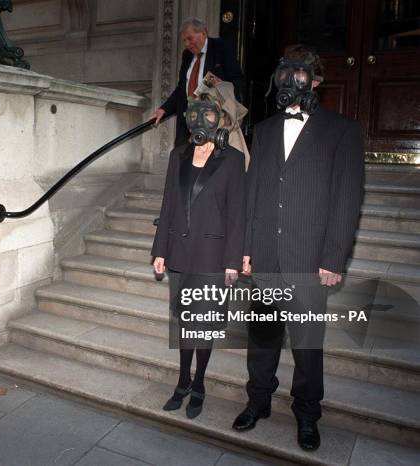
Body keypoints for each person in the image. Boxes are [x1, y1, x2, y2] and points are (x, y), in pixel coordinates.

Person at [232, 45, 364, 451]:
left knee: (307, 344)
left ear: (316, 81)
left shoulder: (341, 130)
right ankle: (258, 401)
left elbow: (347, 198)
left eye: (301, 74)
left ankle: (307, 414)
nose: (292, 81)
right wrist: (247, 248)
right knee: (263, 338)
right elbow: (253, 192)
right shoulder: (266, 129)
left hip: (309, 257)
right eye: (285, 73)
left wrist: (333, 257)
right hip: (267, 255)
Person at [151, 81, 247, 419]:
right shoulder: (178, 155)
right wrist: (159, 249)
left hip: (212, 255)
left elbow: (238, 215)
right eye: (195, 115)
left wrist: (233, 261)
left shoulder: (233, 160)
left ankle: (200, 384)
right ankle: (181, 382)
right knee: (183, 322)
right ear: (189, 120)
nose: (201, 121)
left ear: (219, 120)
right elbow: (168, 205)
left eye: (208, 115)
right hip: (179, 251)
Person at [150, 17, 243, 147]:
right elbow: (182, 88)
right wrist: (164, 109)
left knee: (208, 162)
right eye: (184, 40)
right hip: (187, 119)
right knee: (181, 159)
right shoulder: (187, 55)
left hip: (213, 120)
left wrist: (231, 117)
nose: (187, 44)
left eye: (190, 38)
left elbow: (235, 81)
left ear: (203, 33)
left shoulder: (221, 47)